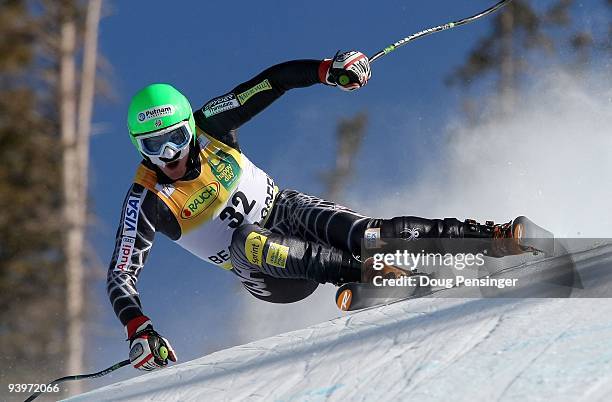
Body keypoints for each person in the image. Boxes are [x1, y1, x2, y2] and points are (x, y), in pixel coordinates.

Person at [108, 51, 549, 371]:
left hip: (284, 209)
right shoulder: (146, 199)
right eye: (152, 146)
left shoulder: (211, 125)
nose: (169, 156)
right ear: (137, 147)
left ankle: (490, 238)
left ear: (190, 125)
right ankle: (358, 275)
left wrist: (327, 71)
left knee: (368, 234)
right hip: (267, 273)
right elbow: (121, 275)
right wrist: (139, 330)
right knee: (248, 239)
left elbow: (271, 82)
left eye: (175, 138)